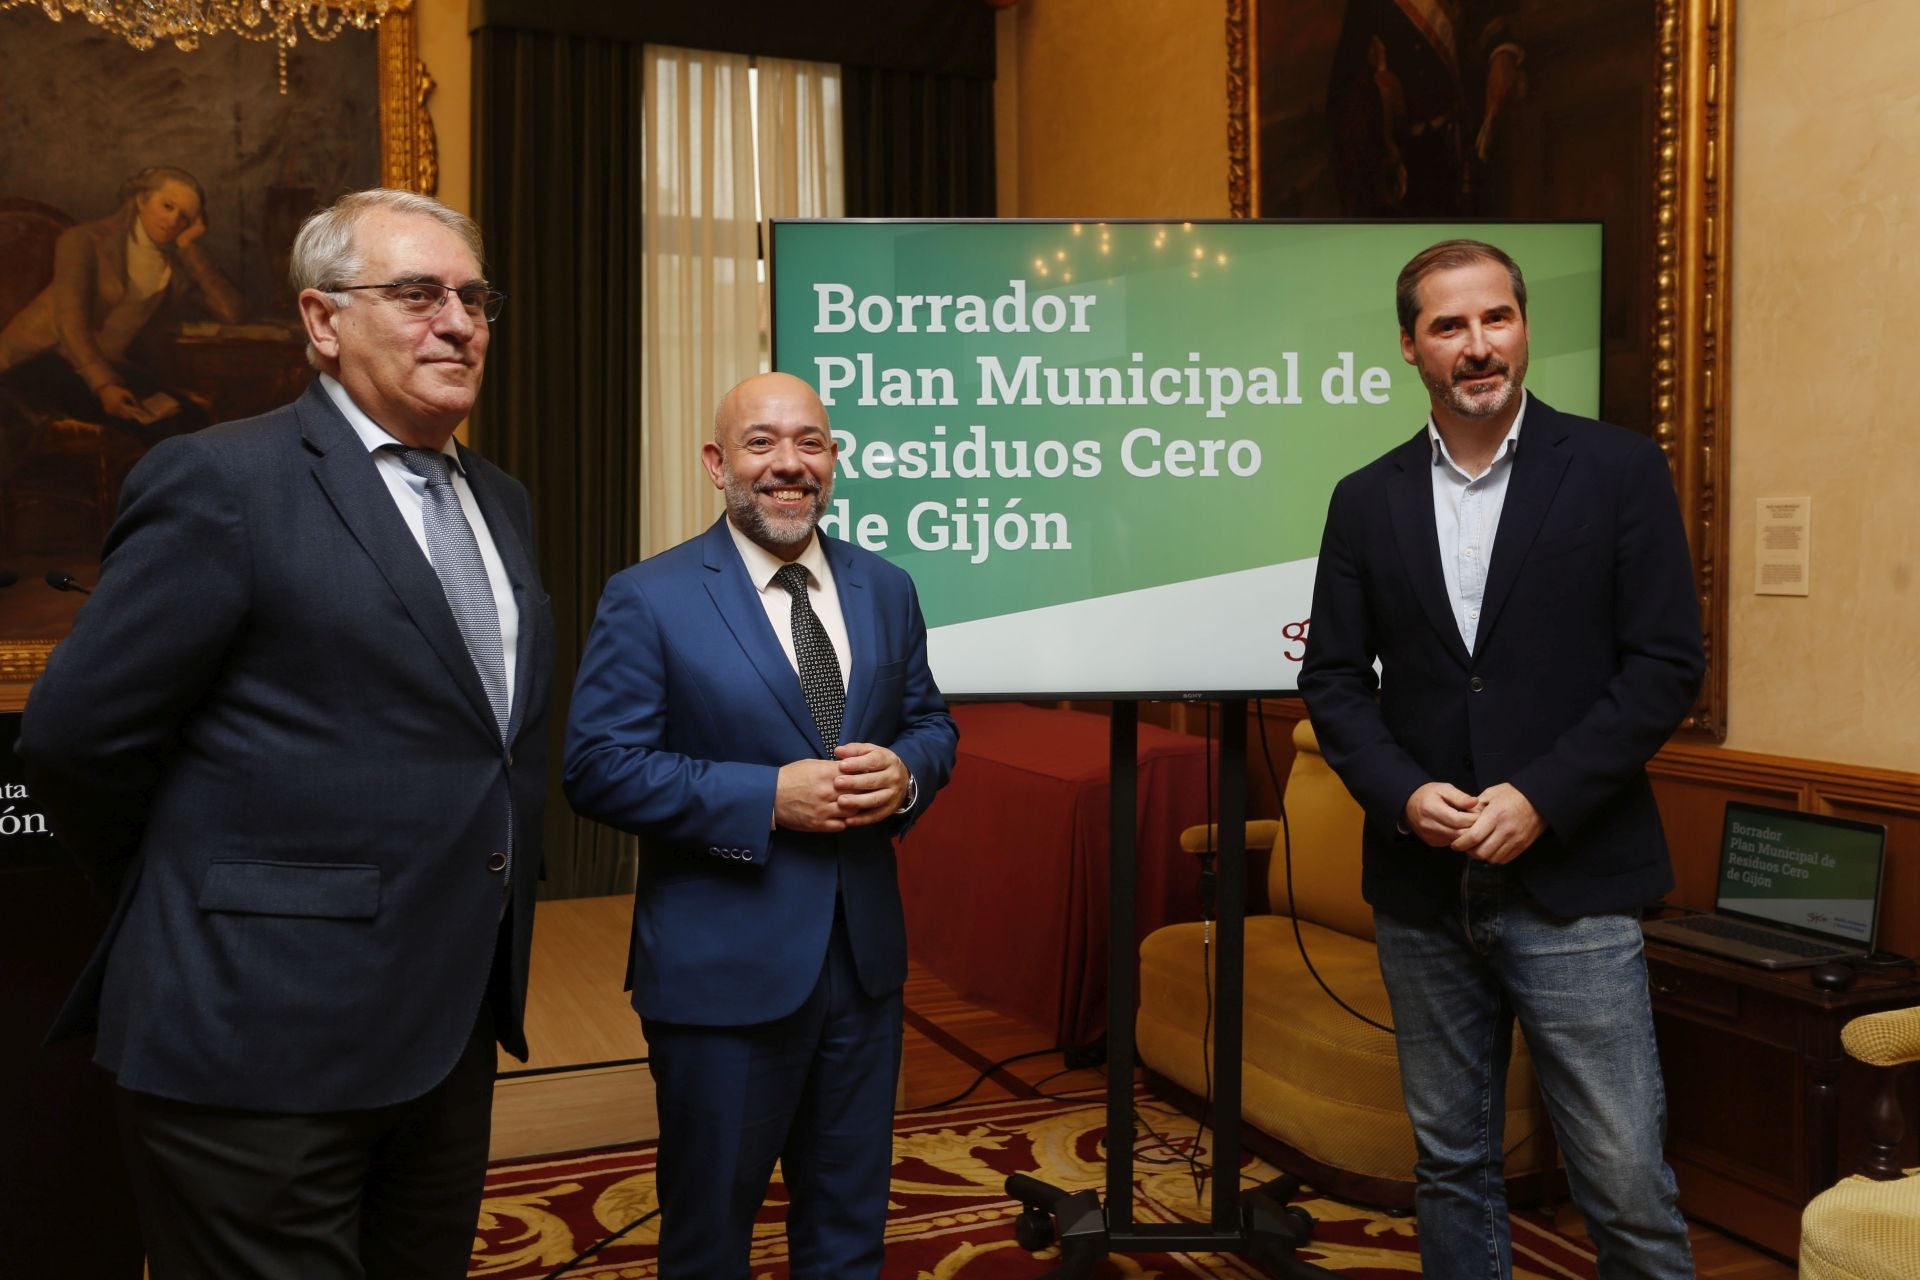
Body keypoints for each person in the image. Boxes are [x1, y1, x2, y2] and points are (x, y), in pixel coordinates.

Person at [17, 188, 552, 1279]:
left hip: (445, 1031)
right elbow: (75, 740)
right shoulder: (223, 480)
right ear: (322, 319)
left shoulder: (502, 500)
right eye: (418, 294)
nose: (458, 322)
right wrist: (203, 892)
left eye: (474, 298)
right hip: (254, 1040)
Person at [1298, 238, 1703, 1280]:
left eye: (1496, 318)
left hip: (1576, 882)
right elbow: (1333, 678)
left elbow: (1666, 665)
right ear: (1410, 346)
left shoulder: (1618, 469)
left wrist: (1543, 797)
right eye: (1449, 325)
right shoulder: (1364, 497)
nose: (1478, 345)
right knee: (1451, 1166)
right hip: (1424, 890)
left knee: (1624, 1178)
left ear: (1523, 327)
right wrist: (1402, 794)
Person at [564, 371, 959, 1279]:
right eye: (761, 442)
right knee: (709, 1239)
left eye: (809, 442)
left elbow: (931, 722)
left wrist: (907, 773)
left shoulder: (886, 587)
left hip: (863, 969)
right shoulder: (649, 596)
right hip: (720, 978)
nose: (789, 463)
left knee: (849, 1232)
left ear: (833, 459)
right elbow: (597, 768)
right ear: (717, 463)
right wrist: (765, 799)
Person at [0, 166, 242, 435]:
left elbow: (231, 312)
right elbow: (70, 323)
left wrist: (189, 246)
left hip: (107, 367)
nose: (174, 220)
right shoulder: (84, 240)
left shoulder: (174, 264)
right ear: (141, 200)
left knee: (193, 421)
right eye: (168, 206)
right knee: (154, 427)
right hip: (41, 363)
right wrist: (105, 385)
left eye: (185, 216)